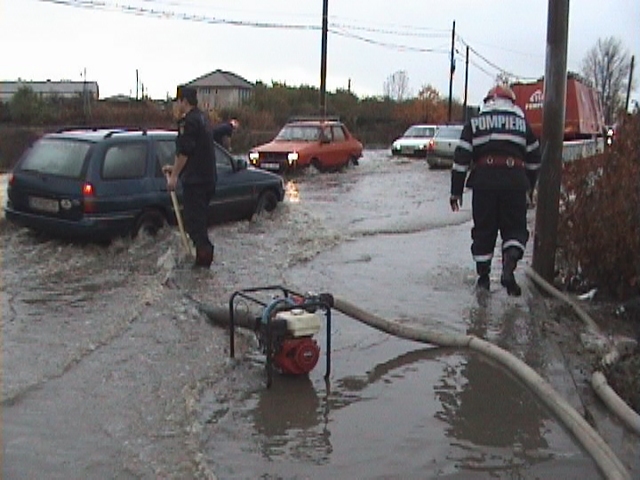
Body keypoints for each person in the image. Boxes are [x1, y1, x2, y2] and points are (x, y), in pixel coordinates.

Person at [450, 85, 541, 296]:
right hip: (515, 182)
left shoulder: (474, 123)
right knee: (516, 229)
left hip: (484, 184)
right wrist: (529, 186)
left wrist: (456, 192)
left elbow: (461, 159)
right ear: (512, 102)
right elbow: (535, 159)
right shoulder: (522, 125)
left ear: (488, 101)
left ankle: (483, 280)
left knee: (483, 232)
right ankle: (508, 268)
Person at [164, 86, 218, 268]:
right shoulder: (202, 118)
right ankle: (201, 262)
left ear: (184, 102)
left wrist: (174, 177)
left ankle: (203, 269)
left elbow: (185, 152)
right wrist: (175, 168)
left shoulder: (188, 122)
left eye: (177, 102)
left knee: (195, 226)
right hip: (206, 179)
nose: (176, 106)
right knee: (198, 223)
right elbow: (195, 152)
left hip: (196, 183)